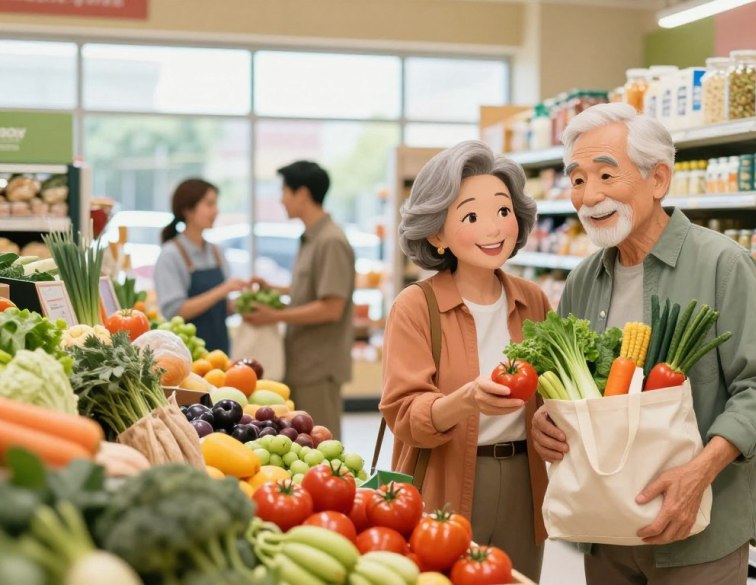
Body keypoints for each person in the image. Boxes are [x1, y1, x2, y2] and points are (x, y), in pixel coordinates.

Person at [531, 103, 756, 584]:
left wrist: (697, 474)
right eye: (578, 179)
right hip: (605, 524)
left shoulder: (724, 265)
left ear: (658, 180)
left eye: (606, 175)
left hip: (697, 532)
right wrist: (547, 416)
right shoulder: (585, 279)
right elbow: (571, 389)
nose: (589, 197)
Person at [379, 141, 550, 581]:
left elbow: (549, 392)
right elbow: (405, 415)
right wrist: (466, 400)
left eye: (503, 211)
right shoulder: (416, 307)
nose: (494, 228)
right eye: (471, 216)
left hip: (523, 480)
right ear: (437, 234)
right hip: (443, 477)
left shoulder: (532, 300)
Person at [244, 161, 355, 438]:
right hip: (302, 361)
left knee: (322, 442)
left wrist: (275, 315)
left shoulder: (331, 241)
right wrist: (278, 290)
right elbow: (309, 291)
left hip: (319, 366)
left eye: (284, 191)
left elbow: (331, 307)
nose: (281, 199)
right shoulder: (310, 239)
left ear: (302, 193)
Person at [154, 178, 245, 353]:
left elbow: (221, 307)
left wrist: (247, 302)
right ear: (188, 210)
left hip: (221, 350)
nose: (216, 210)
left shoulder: (216, 251)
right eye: (209, 204)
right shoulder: (171, 255)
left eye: (216, 204)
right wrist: (222, 290)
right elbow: (175, 311)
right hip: (188, 354)